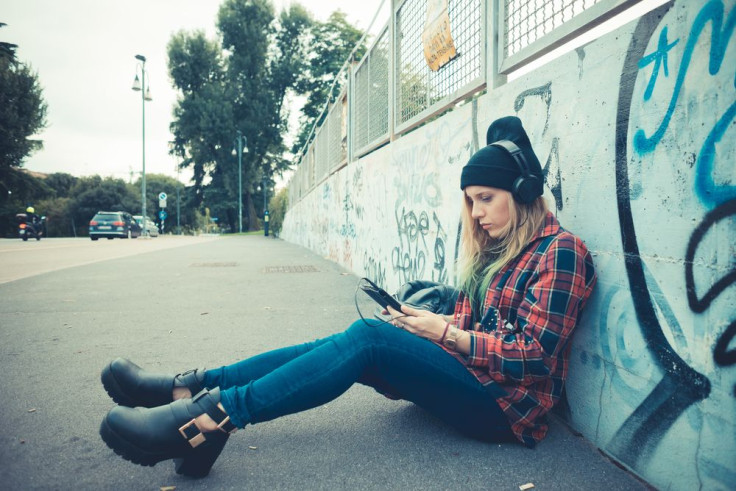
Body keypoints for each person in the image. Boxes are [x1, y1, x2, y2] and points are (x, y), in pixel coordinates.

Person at [99, 116, 597, 478]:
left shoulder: (562, 253)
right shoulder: (493, 252)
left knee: (366, 339)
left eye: (485, 198)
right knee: (349, 342)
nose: (476, 213)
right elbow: (469, 331)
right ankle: (195, 391)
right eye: (470, 202)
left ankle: (210, 416)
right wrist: (424, 325)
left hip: (505, 410)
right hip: (470, 378)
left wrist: (442, 334)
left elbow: (534, 357)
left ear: (525, 191)